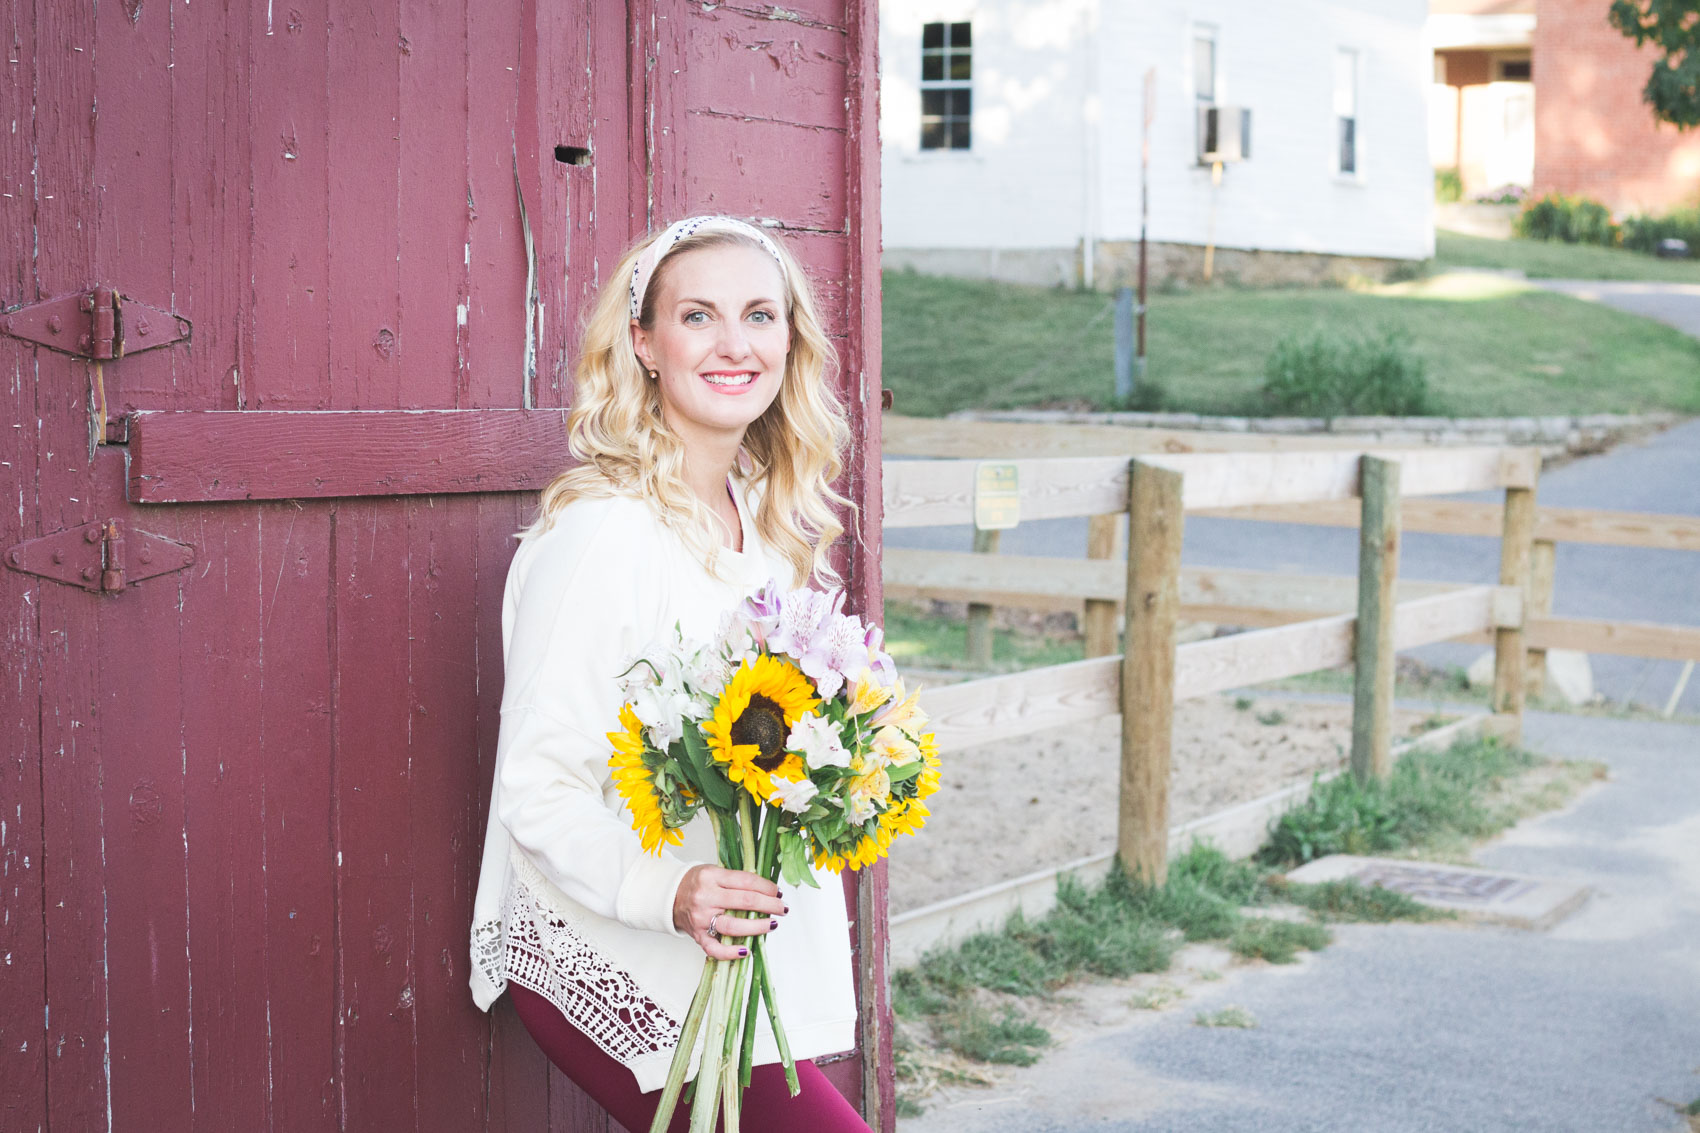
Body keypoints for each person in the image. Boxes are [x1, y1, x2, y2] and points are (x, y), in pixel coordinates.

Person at [468, 215, 872, 1131]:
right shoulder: (604, 533)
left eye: (760, 315)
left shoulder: (767, 527)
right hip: (615, 942)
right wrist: (669, 891)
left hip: (728, 950)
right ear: (644, 344)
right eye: (700, 316)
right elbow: (536, 783)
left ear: (790, 341)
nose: (736, 344)